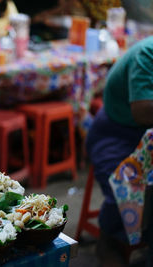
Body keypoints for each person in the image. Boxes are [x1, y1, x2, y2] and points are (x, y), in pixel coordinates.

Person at [86, 36, 153, 266]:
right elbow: (143, 112)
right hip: (116, 133)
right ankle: (108, 242)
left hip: (148, 136)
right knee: (125, 186)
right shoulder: (146, 55)